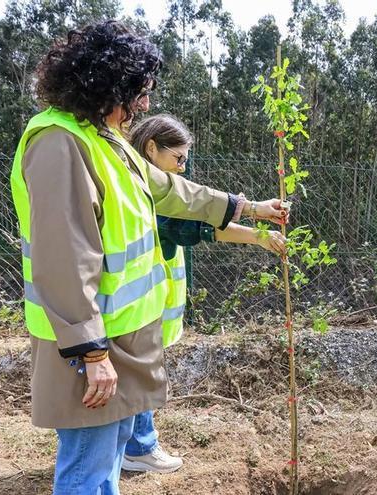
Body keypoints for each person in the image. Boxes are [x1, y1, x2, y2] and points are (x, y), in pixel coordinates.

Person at [10, 20, 288, 494]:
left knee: (110, 455)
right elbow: (64, 259)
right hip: (94, 343)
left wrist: (247, 207)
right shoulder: (59, 144)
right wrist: (91, 352)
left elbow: (168, 189)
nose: (143, 105)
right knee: (89, 467)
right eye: (137, 93)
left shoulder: (101, 138)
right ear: (105, 85)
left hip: (122, 335)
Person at [121, 113, 286, 473]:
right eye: (178, 158)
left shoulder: (146, 190)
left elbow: (203, 220)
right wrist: (259, 232)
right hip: (136, 307)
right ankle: (139, 447)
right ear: (151, 149)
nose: (182, 167)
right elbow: (203, 227)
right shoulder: (147, 198)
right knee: (139, 376)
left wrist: (258, 228)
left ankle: (132, 446)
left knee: (138, 374)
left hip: (141, 306)